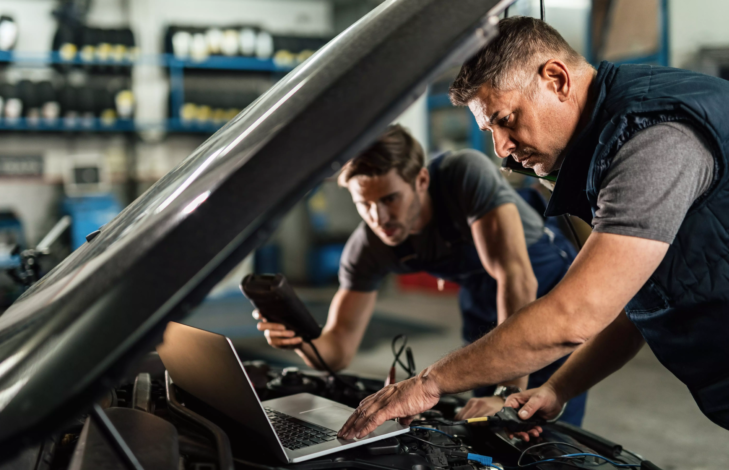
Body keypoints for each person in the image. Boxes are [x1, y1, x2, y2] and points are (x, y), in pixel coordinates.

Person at [338, 16, 729, 442]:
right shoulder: (606, 144)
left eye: (506, 120)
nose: (500, 148)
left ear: (556, 79)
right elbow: (633, 305)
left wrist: (427, 384)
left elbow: (575, 315)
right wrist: (558, 388)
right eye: (489, 130)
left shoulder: (653, 142)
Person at [255, 124, 586, 425]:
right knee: (481, 426)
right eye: (364, 203)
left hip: (542, 291)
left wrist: (504, 394)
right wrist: (300, 339)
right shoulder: (368, 247)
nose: (378, 216)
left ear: (422, 181)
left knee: (540, 425)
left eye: (390, 198)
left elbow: (515, 277)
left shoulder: (464, 175)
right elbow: (337, 351)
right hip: (482, 303)